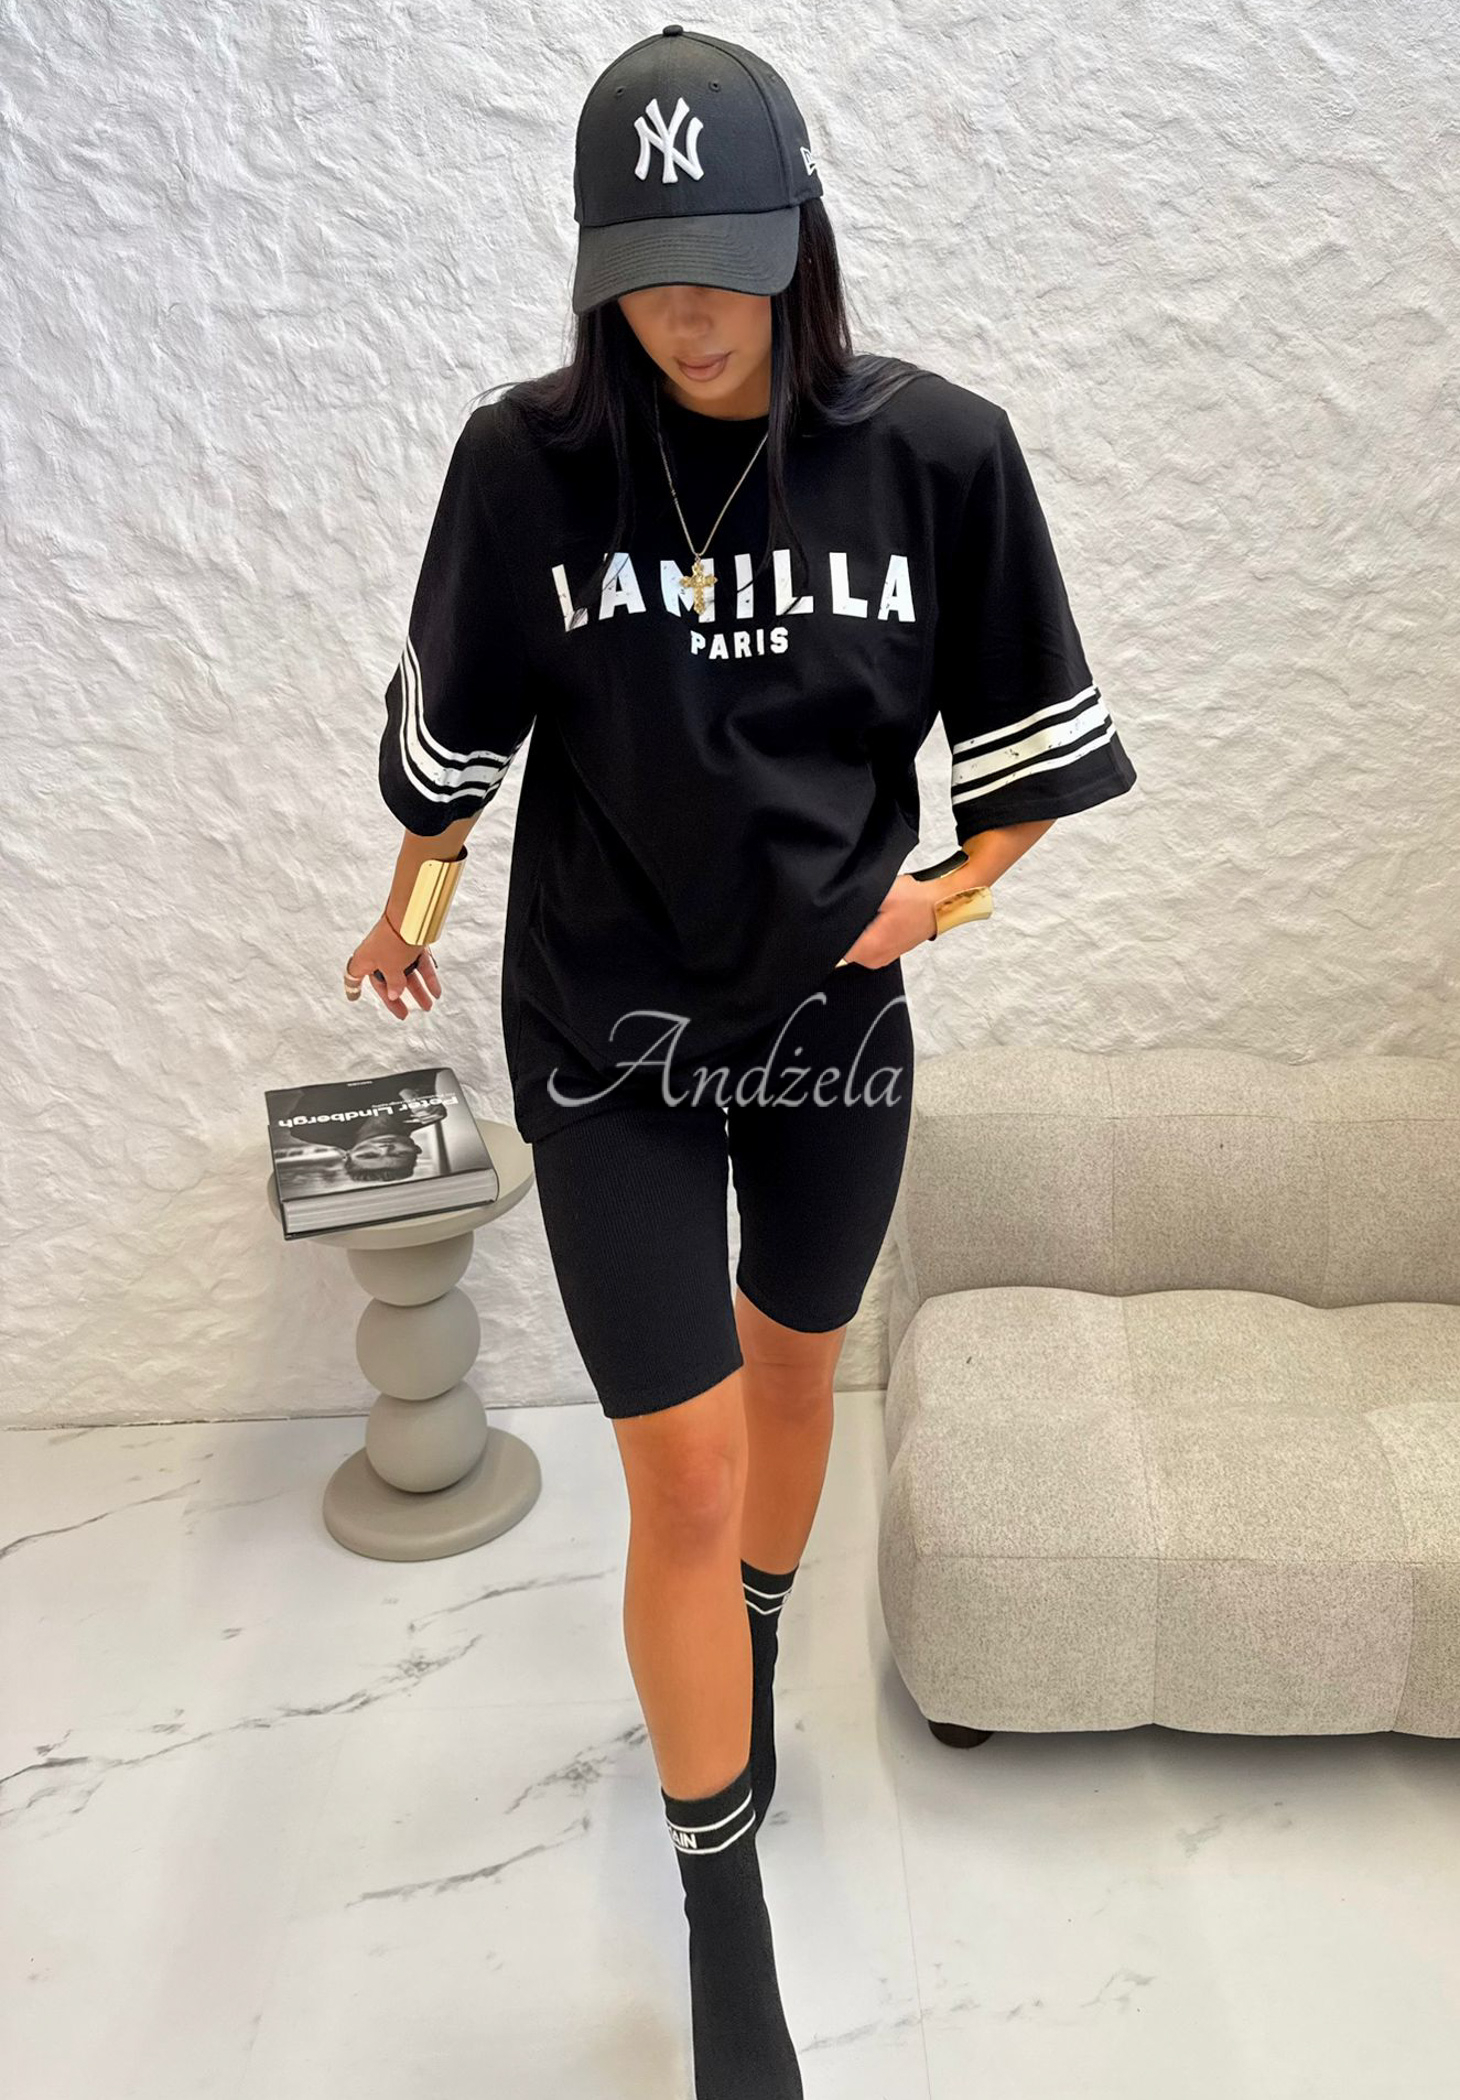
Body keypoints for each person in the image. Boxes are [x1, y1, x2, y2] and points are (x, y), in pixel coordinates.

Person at [346, 28, 1137, 2097]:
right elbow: (453, 761)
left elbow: (1030, 768)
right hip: (603, 1029)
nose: (686, 313)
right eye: (644, 274)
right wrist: (407, 909)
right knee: (679, 1469)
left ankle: (756, 1639)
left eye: (723, 264)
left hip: (826, 1028)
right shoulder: (524, 468)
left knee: (795, 1380)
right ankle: (723, 1913)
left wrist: (931, 907)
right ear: (592, 270)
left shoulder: (937, 456)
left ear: (801, 239)